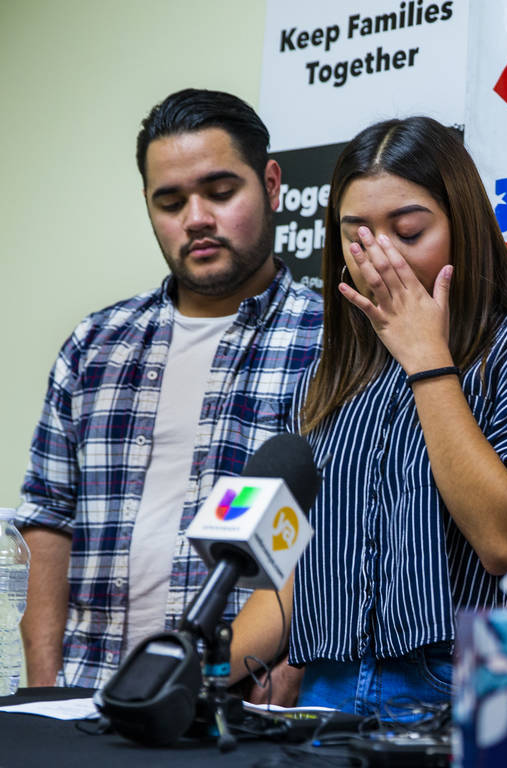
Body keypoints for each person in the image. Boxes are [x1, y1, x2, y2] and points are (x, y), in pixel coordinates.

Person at [229, 116, 507, 715]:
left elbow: (505, 540)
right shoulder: (330, 371)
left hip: (465, 684)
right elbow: (290, 568)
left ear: (462, 229)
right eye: (358, 239)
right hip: (331, 685)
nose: (382, 260)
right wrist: (190, 671)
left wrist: (427, 358)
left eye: (409, 232)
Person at [15, 89, 323, 690]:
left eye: (220, 191)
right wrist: (46, 691)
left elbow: (346, 530)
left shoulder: (336, 342)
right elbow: (48, 520)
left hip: (237, 710)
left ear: (272, 183)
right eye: (171, 201)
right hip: (86, 697)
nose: (197, 218)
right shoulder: (95, 344)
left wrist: (297, 660)